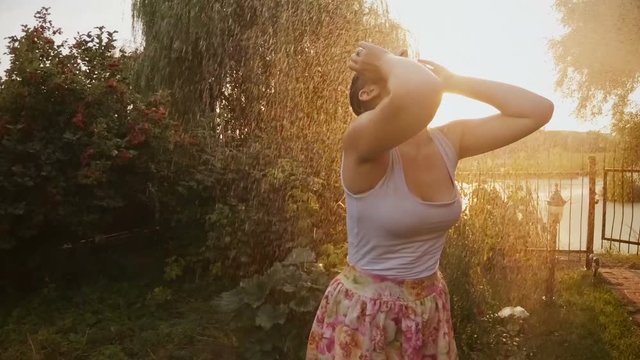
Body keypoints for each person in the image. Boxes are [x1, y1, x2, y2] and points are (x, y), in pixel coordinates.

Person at [306, 42, 554, 359]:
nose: (417, 72)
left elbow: (537, 110)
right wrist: (384, 58)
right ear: (368, 93)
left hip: (427, 309)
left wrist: (455, 82)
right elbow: (420, 92)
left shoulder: (449, 141)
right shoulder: (362, 142)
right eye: (400, 69)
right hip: (366, 317)